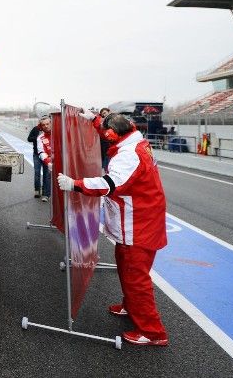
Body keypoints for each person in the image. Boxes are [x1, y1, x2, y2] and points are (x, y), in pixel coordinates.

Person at [57, 113, 168, 347]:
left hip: (137, 225)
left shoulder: (128, 156)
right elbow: (112, 132)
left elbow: (109, 185)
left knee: (136, 277)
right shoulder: (134, 140)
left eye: (106, 134)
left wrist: (74, 184)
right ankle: (132, 306)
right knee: (126, 269)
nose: (105, 138)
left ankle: (153, 331)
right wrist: (96, 119)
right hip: (139, 220)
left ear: (113, 135)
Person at [35, 116, 52, 202]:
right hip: (49, 159)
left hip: (61, 158)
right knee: (47, 175)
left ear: (51, 123)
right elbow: (41, 152)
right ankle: (46, 194)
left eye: (47, 124)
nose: (46, 126)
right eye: (43, 125)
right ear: (41, 126)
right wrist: (48, 162)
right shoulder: (40, 137)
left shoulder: (59, 133)